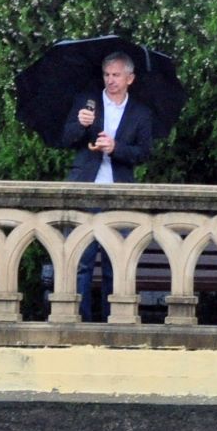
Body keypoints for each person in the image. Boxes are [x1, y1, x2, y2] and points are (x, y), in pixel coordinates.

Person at [60, 52, 156, 321]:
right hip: (85, 191)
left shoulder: (141, 113)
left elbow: (144, 153)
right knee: (80, 262)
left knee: (117, 261)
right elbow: (66, 139)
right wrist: (80, 124)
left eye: (116, 75)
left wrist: (115, 148)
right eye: (106, 75)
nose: (110, 80)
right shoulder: (87, 103)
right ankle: (78, 321)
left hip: (120, 195)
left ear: (130, 78)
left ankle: (115, 321)